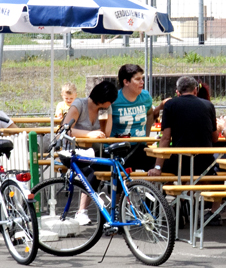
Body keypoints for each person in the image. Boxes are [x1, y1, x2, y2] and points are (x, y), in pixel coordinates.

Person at [150, 75, 220, 222]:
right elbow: (215, 138)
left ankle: (174, 203)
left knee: (155, 171)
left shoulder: (171, 105)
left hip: (180, 162)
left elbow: (165, 138)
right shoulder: (208, 105)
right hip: (204, 164)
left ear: (177, 92)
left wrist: (157, 166)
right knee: (211, 172)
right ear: (195, 90)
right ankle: (184, 201)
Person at [63, 80, 117, 225]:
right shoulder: (79, 105)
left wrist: (109, 114)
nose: (111, 104)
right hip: (72, 152)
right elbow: (65, 129)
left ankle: (113, 209)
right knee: (95, 170)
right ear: (104, 99)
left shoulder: (104, 110)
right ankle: (82, 211)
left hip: (94, 152)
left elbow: (106, 133)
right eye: (110, 101)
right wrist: (88, 134)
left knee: (114, 165)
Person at [108, 64, 166, 170]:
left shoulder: (145, 97)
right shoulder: (114, 99)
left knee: (162, 166)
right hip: (119, 149)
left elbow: (149, 113)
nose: (142, 82)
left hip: (139, 148)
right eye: (138, 79)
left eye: (142, 78)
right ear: (126, 82)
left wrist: (146, 136)